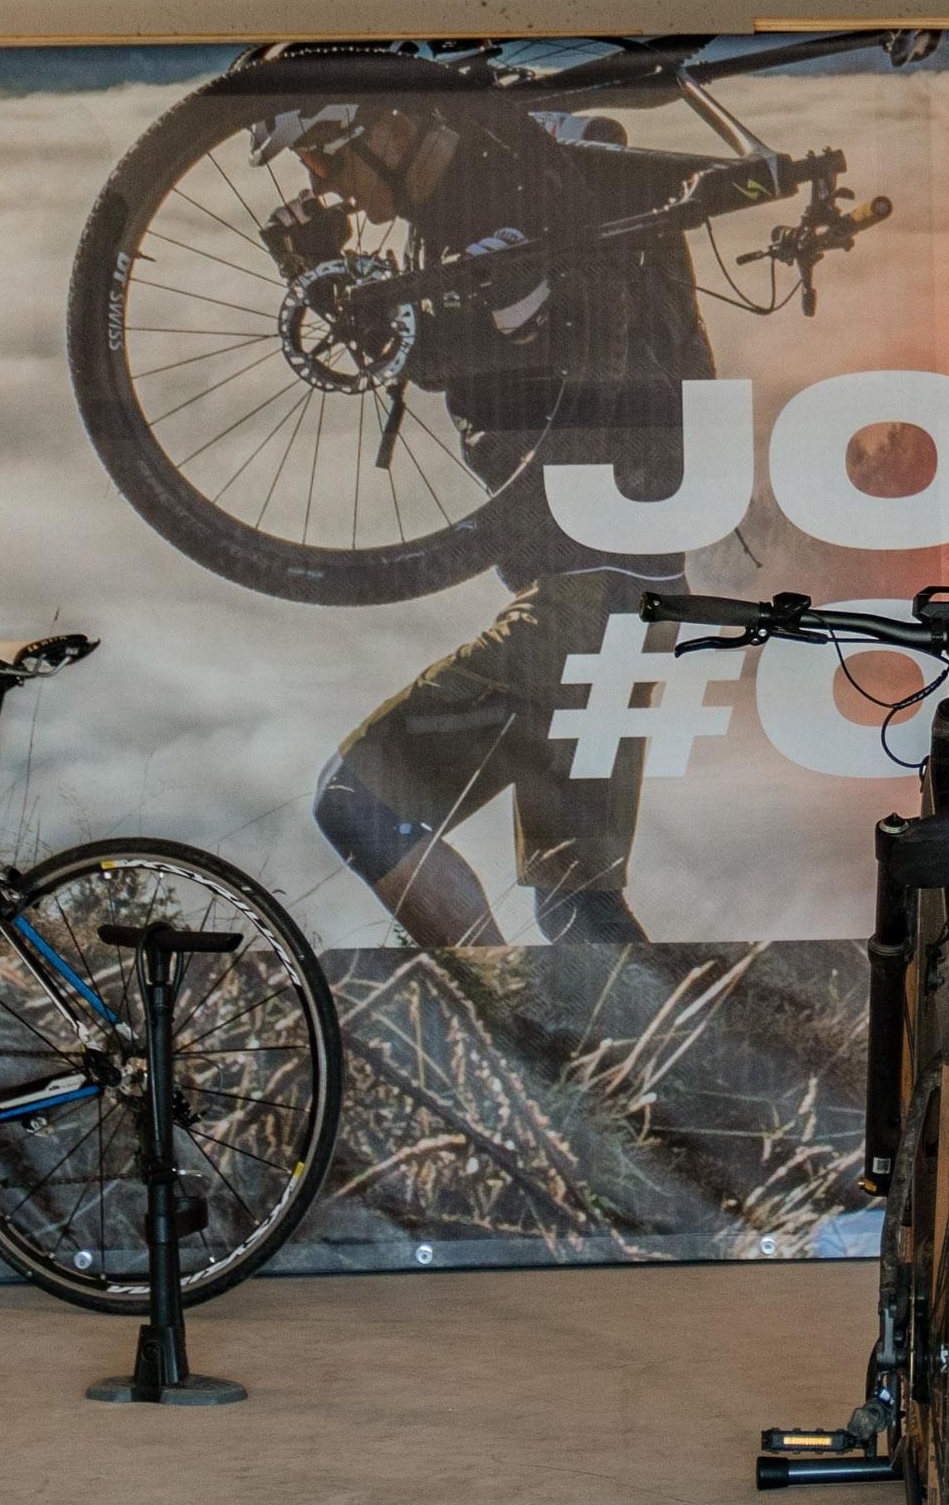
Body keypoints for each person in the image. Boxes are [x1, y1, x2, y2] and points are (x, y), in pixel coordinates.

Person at [309, 107, 724, 975]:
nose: (324, 183)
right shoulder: (489, 211)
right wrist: (337, 291)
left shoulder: (511, 206)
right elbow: (450, 353)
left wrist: (522, 308)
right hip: (637, 594)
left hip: (582, 597)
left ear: (386, 129)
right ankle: (673, 1041)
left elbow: (570, 345)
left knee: (355, 799)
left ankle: (508, 1011)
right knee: (576, 894)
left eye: (325, 155)